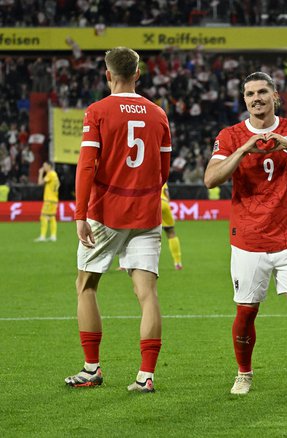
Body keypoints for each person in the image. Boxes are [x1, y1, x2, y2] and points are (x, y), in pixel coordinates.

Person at [204, 72, 287, 399]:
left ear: (275, 96)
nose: (256, 98)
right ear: (244, 99)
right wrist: (245, 150)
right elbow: (210, 178)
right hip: (248, 240)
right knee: (246, 311)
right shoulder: (231, 135)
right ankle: (244, 374)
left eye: (262, 92)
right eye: (250, 93)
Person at [65, 47, 171, 393]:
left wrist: (81, 213)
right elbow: (164, 170)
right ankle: (145, 375)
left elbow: (86, 166)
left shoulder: (97, 111)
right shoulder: (158, 114)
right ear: (138, 74)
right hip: (146, 213)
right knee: (147, 293)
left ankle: (91, 368)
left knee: (86, 285)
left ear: (108, 75)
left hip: (107, 212)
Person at [35, 161, 59, 242]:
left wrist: (40, 173)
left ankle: (42, 236)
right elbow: (59, 184)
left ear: (49, 166)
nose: (43, 168)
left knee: (43, 216)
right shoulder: (55, 174)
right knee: (52, 217)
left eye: (44, 166)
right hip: (54, 199)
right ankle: (53, 236)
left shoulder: (50, 174)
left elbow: (40, 183)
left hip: (49, 199)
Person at [161, 183, 183, 270]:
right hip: (164, 203)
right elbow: (167, 194)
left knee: (141, 233)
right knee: (171, 232)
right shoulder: (162, 178)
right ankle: (178, 262)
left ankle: (126, 264)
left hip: (152, 203)